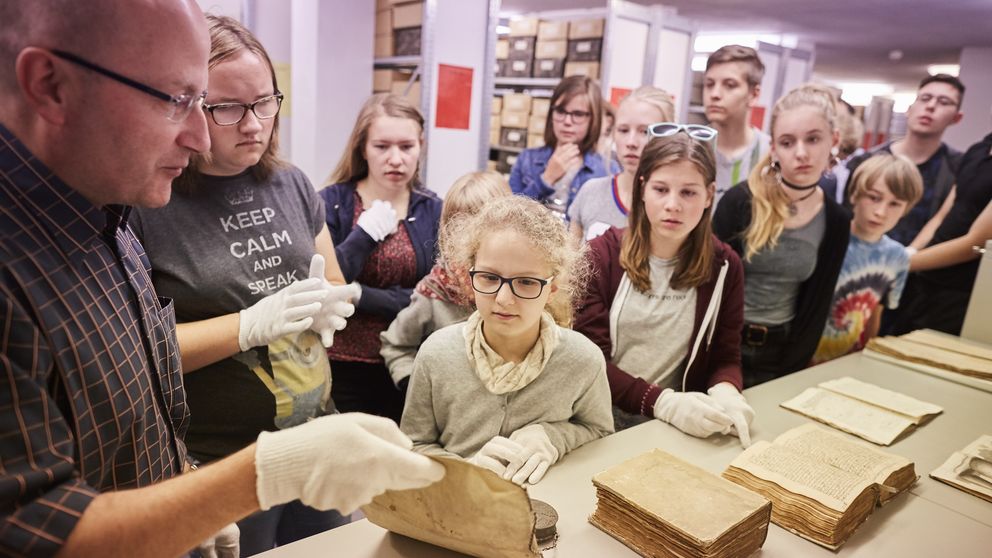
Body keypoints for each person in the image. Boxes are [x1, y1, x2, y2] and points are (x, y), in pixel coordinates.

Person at [0, 2, 443, 557]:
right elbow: (34, 530)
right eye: (177, 101)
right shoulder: (112, 211)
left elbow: (140, 381)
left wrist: (180, 483)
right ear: (50, 85)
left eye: (262, 103)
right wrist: (246, 474)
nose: (198, 135)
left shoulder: (107, 216)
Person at [128, 15, 356, 554]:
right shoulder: (149, 203)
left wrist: (331, 304)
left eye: (265, 102)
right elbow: (137, 355)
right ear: (186, 105)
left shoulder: (292, 183)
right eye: (226, 108)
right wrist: (250, 325)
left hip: (312, 442)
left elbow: (331, 276)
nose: (253, 123)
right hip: (219, 461)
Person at [401, 196, 614, 485]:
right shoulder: (436, 355)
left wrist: (554, 436)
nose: (503, 299)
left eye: (526, 282)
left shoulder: (582, 361)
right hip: (456, 512)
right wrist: (466, 469)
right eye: (489, 278)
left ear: (551, 289)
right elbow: (413, 448)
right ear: (469, 275)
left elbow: (600, 434)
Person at [574, 127, 752, 445]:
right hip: (597, 423)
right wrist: (662, 403)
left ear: (710, 194)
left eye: (688, 192)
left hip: (675, 429)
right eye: (661, 189)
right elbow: (589, 361)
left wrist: (727, 389)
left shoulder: (725, 267)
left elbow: (726, 356)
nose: (673, 205)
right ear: (642, 189)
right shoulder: (602, 254)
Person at [713, 84, 851, 387]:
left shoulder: (837, 220)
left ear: (834, 140)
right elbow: (707, 285)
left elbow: (818, 304)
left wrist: (791, 370)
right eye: (788, 142)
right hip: (721, 346)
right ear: (773, 148)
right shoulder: (741, 202)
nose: (801, 153)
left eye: (813, 139)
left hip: (783, 349)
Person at [320, 93, 443, 423]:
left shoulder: (434, 210)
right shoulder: (331, 204)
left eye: (406, 147)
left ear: (421, 146)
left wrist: (360, 294)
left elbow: (434, 298)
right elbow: (325, 285)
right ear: (363, 148)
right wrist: (363, 236)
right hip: (342, 365)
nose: (396, 159)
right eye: (382, 146)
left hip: (408, 364)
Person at [380, 171, 511, 394]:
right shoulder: (434, 292)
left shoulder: (520, 289)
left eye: (481, 225)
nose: (471, 237)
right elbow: (397, 345)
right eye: (460, 226)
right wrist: (414, 384)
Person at [812, 154, 923, 364]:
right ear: (855, 194)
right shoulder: (825, 238)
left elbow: (875, 315)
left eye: (895, 204)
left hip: (848, 360)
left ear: (906, 209)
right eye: (874, 197)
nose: (880, 212)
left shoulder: (897, 257)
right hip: (800, 358)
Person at [846, 74, 965, 248]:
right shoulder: (865, 162)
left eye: (944, 102)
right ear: (909, 109)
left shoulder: (958, 170)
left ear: (957, 118)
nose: (931, 106)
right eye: (925, 98)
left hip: (919, 267)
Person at [896, 129, 992, 334]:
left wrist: (897, 262)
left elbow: (974, 244)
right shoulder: (979, 150)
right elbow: (942, 216)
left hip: (958, 292)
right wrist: (909, 252)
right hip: (923, 277)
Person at [568, 86, 675, 241]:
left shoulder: (674, 206)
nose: (631, 142)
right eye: (623, 130)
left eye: (645, 132)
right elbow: (570, 261)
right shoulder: (591, 192)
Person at [509, 75, 617, 217]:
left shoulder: (608, 170)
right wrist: (546, 180)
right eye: (560, 111)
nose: (567, 121)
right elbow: (509, 217)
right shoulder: (527, 159)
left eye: (578, 114)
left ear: (593, 119)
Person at [703, 45, 771, 206]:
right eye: (709, 84)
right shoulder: (691, 147)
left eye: (730, 85)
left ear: (754, 94)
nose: (715, 94)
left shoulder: (770, 154)